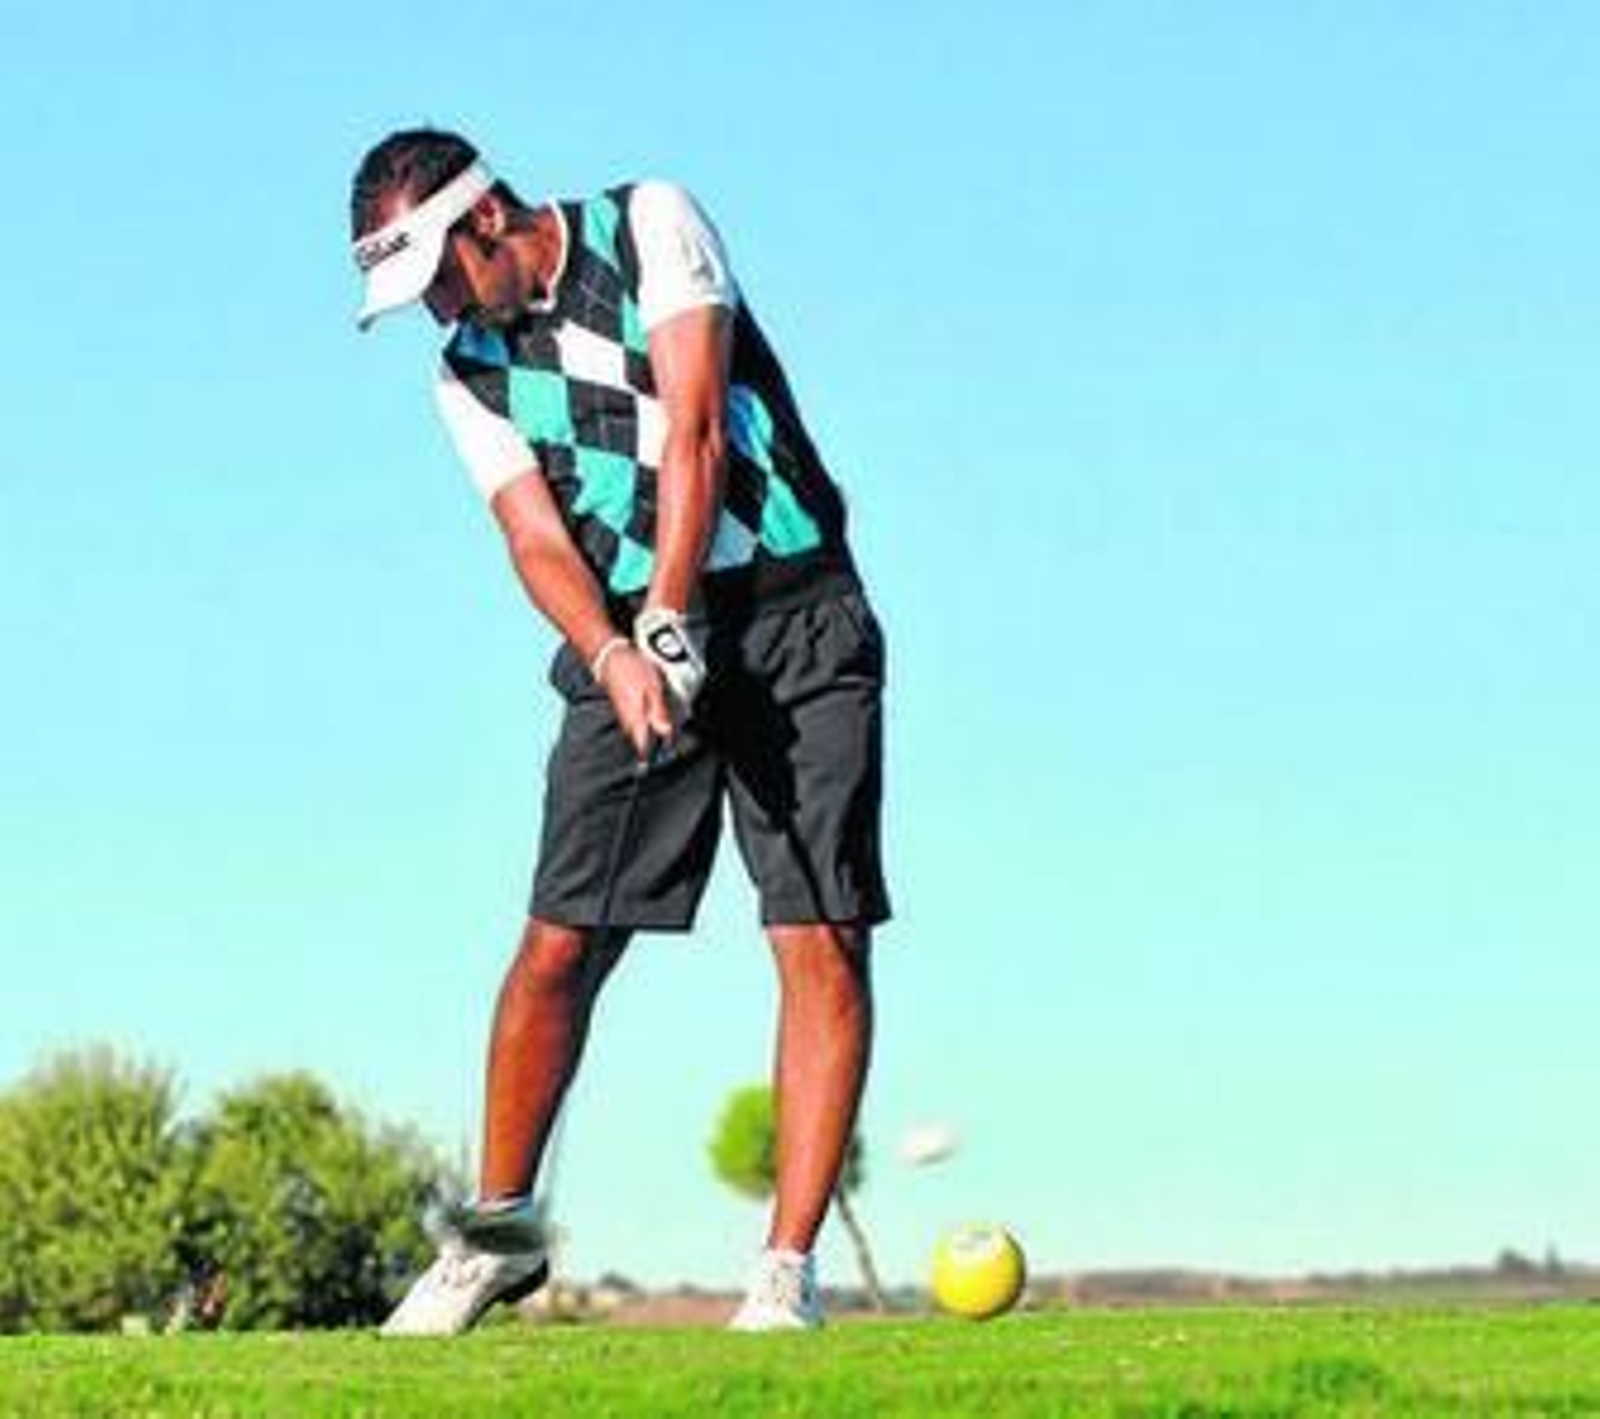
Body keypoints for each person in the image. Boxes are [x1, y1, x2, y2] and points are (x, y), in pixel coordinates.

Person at [348, 128, 890, 1335]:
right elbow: (534, 536)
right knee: (558, 943)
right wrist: (614, 649)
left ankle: (782, 1271)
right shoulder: (465, 374)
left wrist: (669, 613)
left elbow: (694, 424)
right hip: (627, 644)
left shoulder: (649, 223)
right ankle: (495, 1236)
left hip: (796, 614)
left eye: (436, 274)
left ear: (485, 220)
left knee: (820, 932)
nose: (437, 306)